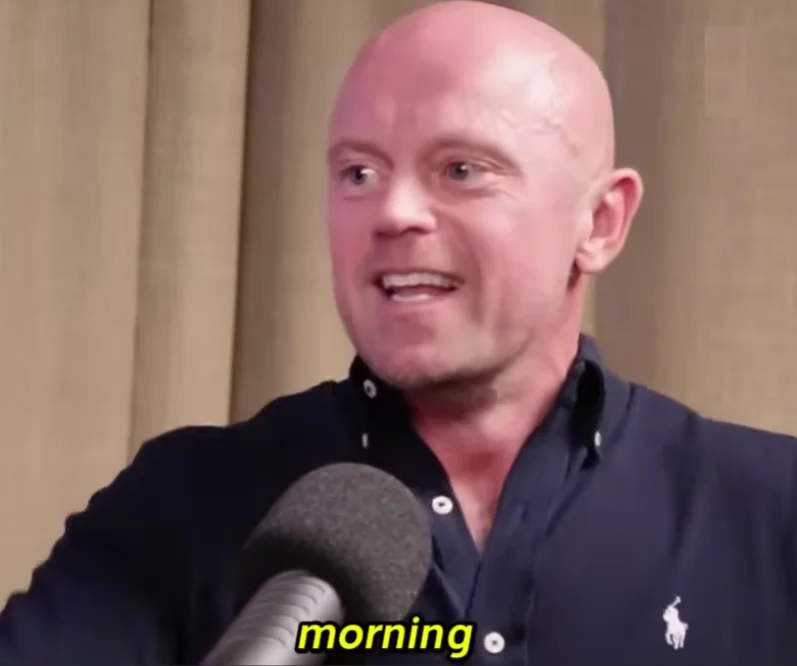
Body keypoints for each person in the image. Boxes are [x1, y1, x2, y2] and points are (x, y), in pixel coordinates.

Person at [2, 1, 797, 664]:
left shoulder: (769, 511)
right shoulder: (182, 503)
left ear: (599, 221)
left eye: (461, 170)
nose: (392, 212)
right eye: (359, 173)